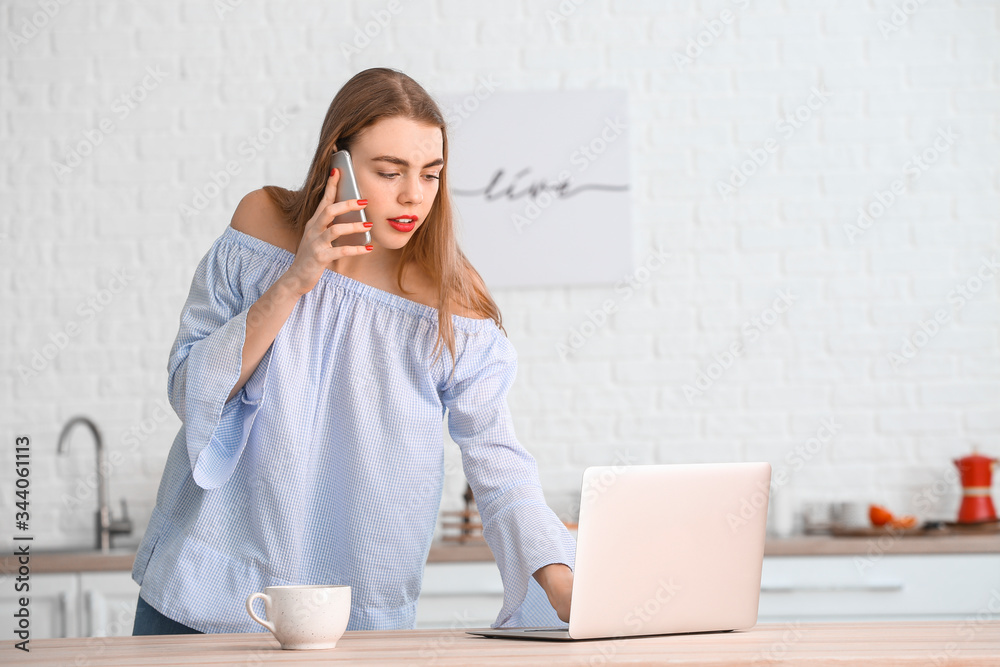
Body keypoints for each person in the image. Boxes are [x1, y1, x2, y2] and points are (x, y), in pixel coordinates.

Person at [131, 67, 576, 635]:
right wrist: (297, 278)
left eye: (431, 174)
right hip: (200, 590)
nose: (413, 194)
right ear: (334, 164)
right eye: (390, 172)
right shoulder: (260, 224)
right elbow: (190, 390)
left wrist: (562, 584)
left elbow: (499, 463)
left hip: (348, 619)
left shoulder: (454, 302)